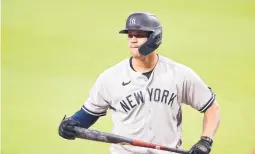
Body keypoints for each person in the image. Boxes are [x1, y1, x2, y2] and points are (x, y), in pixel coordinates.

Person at [58, 12, 221, 154]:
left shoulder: (179, 74)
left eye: (139, 35)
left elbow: (211, 107)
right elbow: (88, 115)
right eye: (130, 35)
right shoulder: (110, 77)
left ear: (154, 37)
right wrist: (72, 125)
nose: (133, 40)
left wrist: (205, 141)